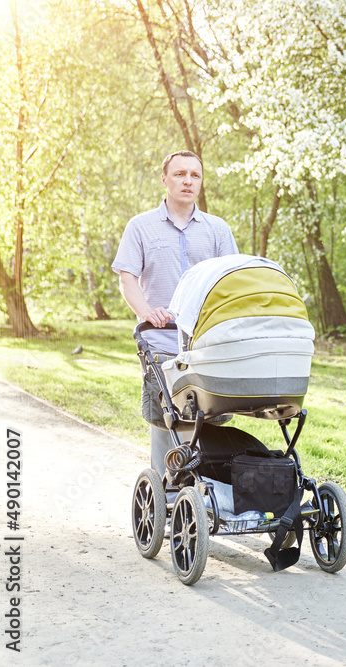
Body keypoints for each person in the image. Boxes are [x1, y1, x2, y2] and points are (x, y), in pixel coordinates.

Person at [112, 150, 239, 478]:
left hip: (206, 338)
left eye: (195, 175)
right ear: (164, 179)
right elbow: (127, 277)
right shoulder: (140, 227)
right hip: (162, 336)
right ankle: (166, 491)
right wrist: (145, 312)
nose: (188, 181)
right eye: (180, 174)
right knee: (167, 412)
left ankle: (208, 490)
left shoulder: (217, 229)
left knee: (209, 413)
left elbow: (231, 281)